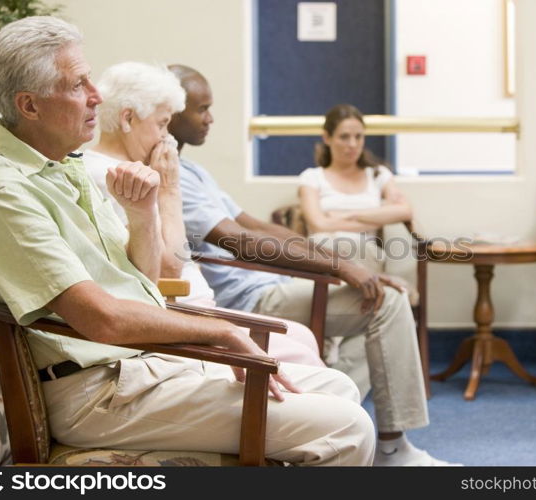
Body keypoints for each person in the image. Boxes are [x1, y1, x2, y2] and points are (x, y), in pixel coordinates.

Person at [0, 16, 375, 466]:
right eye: (77, 84)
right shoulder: (8, 193)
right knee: (347, 426)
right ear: (29, 106)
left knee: (341, 388)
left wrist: (143, 213)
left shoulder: (65, 165)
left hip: (137, 366)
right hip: (98, 392)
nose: (96, 95)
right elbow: (103, 319)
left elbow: (143, 284)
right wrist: (223, 333)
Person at [169, 65, 459, 466]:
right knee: (387, 304)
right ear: (170, 112)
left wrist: (330, 261)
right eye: (202, 109)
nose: (211, 118)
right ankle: (392, 450)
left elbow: (252, 223)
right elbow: (240, 242)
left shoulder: (193, 171)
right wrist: (339, 266)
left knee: (380, 296)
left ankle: (364, 429)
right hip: (246, 300)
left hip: (267, 286)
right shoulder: (173, 177)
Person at [84, 61, 323, 367]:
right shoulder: (115, 177)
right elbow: (170, 269)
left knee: (302, 337)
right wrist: (169, 190)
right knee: (302, 354)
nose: (166, 138)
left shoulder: (134, 169)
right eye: (161, 124)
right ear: (128, 118)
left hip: (193, 311)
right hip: (173, 321)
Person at [298, 103, 413, 275]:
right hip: (323, 253)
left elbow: (404, 211)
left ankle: (368, 283)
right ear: (327, 138)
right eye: (344, 137)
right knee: (324, 241)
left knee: (347, 245)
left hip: (365, 252)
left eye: (358, 137)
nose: (352, 144)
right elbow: (319, 224)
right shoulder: (311, 177)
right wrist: (376, 217)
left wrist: (347, 215)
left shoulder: (378, 175)